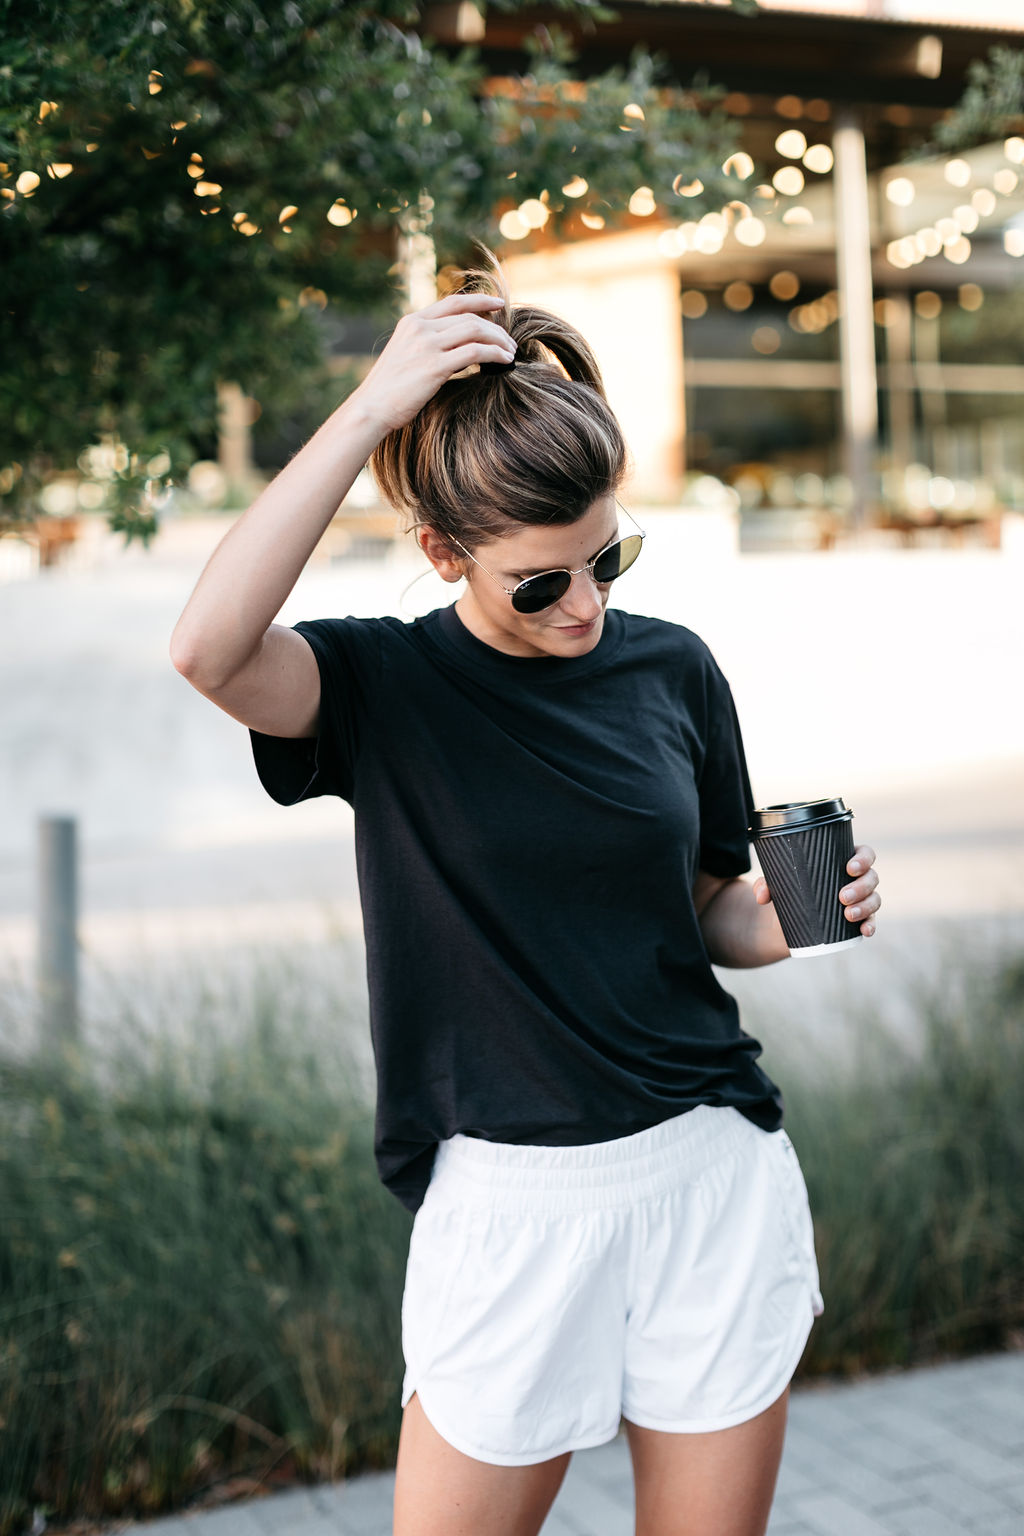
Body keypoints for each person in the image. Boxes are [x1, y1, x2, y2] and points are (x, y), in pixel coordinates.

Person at [170, 255, 880, 1536]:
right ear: (442, 551)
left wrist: (773, 926)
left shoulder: (672, 668)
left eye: (610, 558)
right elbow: (206, 647)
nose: (587, 607)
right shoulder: (379, 689)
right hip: (510, 1205)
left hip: (709, 1172)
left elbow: (712, 901)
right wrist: (372, 406)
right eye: (542, 582)